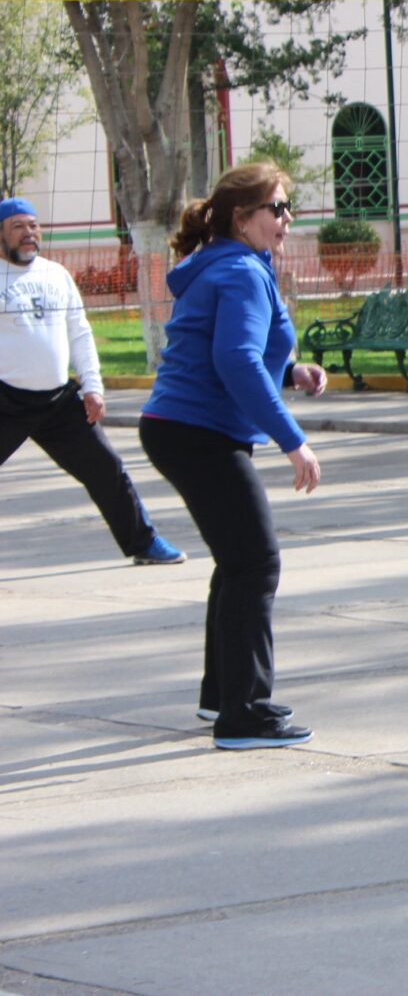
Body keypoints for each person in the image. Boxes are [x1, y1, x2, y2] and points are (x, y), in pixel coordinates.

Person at [139, 163, 326, 750]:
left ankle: (222, 695)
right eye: (276, 208)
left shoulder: (233, 264)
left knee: (237, 562)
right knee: (256, 564)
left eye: (287, 208)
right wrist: (292, 440)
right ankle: (244, 715)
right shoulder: (242, 271)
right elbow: (236, 362)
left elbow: (236, 351)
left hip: (181, 427)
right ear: (242, 218)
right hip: (199, 433)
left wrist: (290, 372)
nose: (286, 219)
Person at [1, 198, 181, 565]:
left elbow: (80, 334)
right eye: (19, 226)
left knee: (107, 469)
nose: (29, 234)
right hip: (5, 400)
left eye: (34, 226)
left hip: (57, 401)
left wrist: (93, 386)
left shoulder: (55, 275)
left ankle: (144, 545)